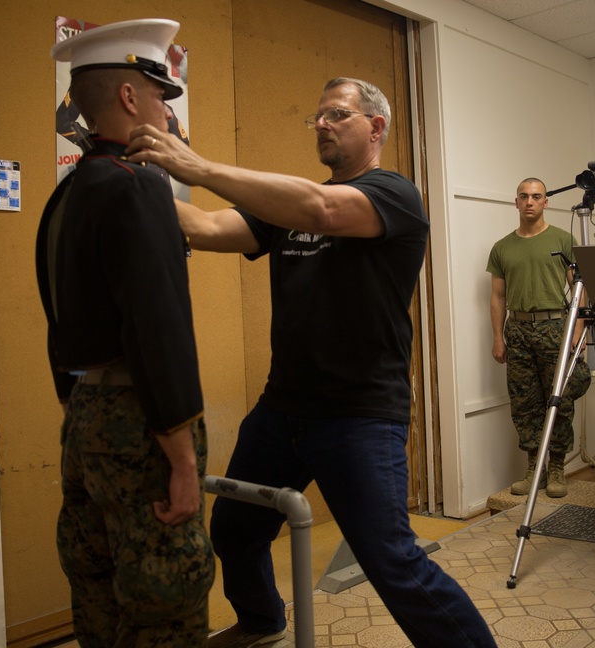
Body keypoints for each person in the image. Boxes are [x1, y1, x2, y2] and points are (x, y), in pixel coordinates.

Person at [126, 77, 497, 648]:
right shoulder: (285, 207)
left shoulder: (395, 194)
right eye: (317, 116)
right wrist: (139, 181)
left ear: (375, 127)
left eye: (337, 114)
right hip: (284, 409)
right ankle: (261, 621)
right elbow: (203, 227)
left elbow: (324, 208)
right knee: (236, 528)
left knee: (392, 561)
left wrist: (197, 166)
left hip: (361, 414)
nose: (322, 123)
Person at [36, 19, 214, 647]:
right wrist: (183, 462)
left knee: (98, 589)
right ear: (130, 99)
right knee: (166, 594)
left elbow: (57, 307)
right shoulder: (140, 186)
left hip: (85, 415)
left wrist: (73, 402)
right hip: (140, 422)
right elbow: (157, 327)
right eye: (161, 95)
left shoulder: (70, 191)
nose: (169, 110)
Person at [486, 178, 591, 498]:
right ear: (515, 202)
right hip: (517, 330)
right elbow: (497, 297)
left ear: (546, 202)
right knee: (524, 402)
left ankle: (557, 466)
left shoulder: (563, 239)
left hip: (556, 327)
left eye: (536, 197)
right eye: (524, 197)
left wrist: (578, 329)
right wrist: (497, 338)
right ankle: (535, 467)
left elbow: (580, 288)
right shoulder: (502, 247)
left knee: (559, 400)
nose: (529, 202)